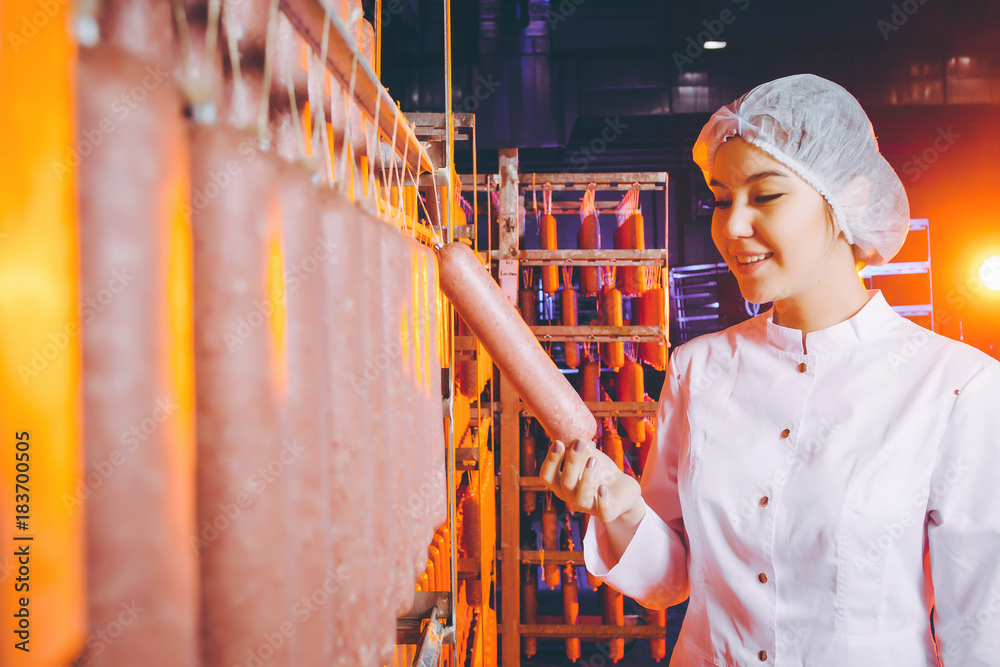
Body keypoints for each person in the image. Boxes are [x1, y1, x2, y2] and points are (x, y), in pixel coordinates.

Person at [540, 74, 1000, 666]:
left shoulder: (956, 387)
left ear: (850, 199)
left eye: (766, 195)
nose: (731, 227)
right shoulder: (698, 369)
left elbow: (980, 630)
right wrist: (621, 507)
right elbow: (675, 580)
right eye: (720, 197)